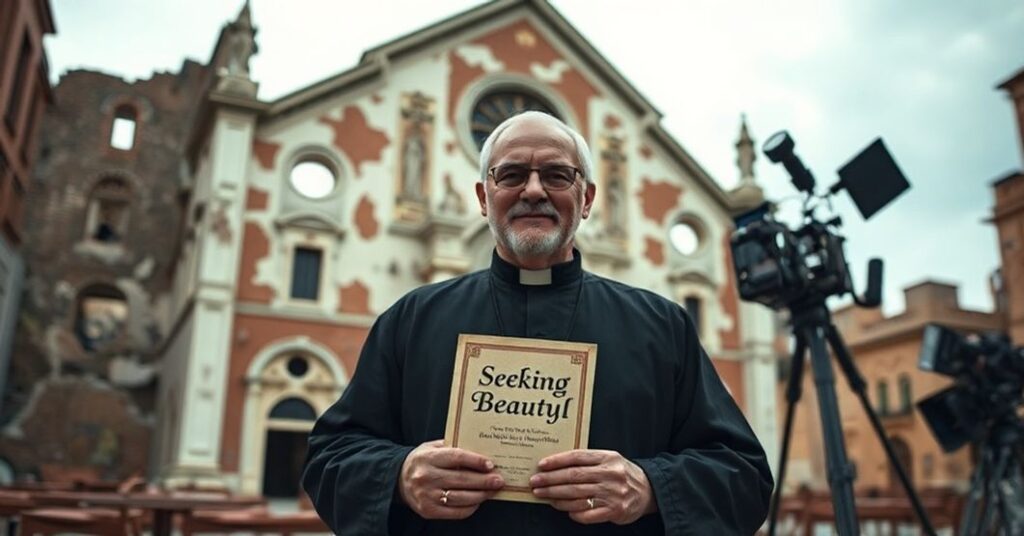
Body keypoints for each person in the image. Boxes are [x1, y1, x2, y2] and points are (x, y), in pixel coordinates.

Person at [302, 111, 773, 535]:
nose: (532, 190)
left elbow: (744, 476)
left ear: (586, 198)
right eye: (510, 175)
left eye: (556, 174)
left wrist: (650, 487)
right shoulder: (411, 320)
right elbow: (329, 458)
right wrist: (401, 476)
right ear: (484, 197)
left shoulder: (662, 326)